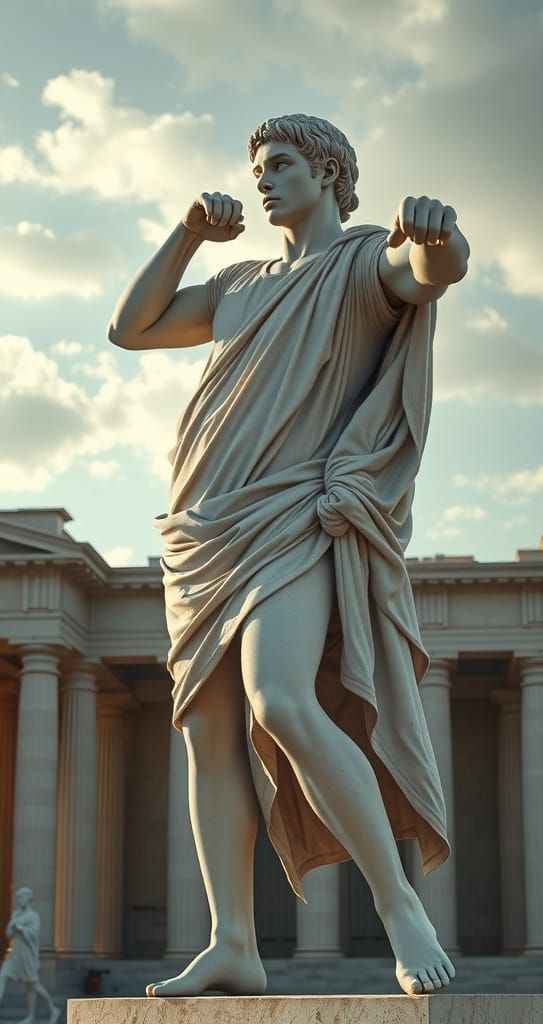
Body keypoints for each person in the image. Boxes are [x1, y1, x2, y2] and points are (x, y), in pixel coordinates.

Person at [109, 113, 470, 999]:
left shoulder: (362, 263)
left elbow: (432, 274)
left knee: (281, 701)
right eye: (258, 167)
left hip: (293, 517)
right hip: (202, 529)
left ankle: (398, 906)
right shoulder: (235, 284)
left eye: (282, 165)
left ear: (330, 172)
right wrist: (190, 234)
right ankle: (233, 941)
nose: (265, 180)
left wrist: (440, 233)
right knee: (208, 733)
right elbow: (133, 328)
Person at [0, 888, 60, 1024]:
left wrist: (21, 928)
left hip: (27, 954)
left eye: (21, 897)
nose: (19, 900)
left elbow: (34, 933)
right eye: (18, 898)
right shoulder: (16, 914)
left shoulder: (33, 916)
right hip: (14, 953)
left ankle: (50, 1009)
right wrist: (13, 925)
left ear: (28, 898)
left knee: (32, 985)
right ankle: (34, 1015)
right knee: (2, 976)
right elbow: (8, 933)